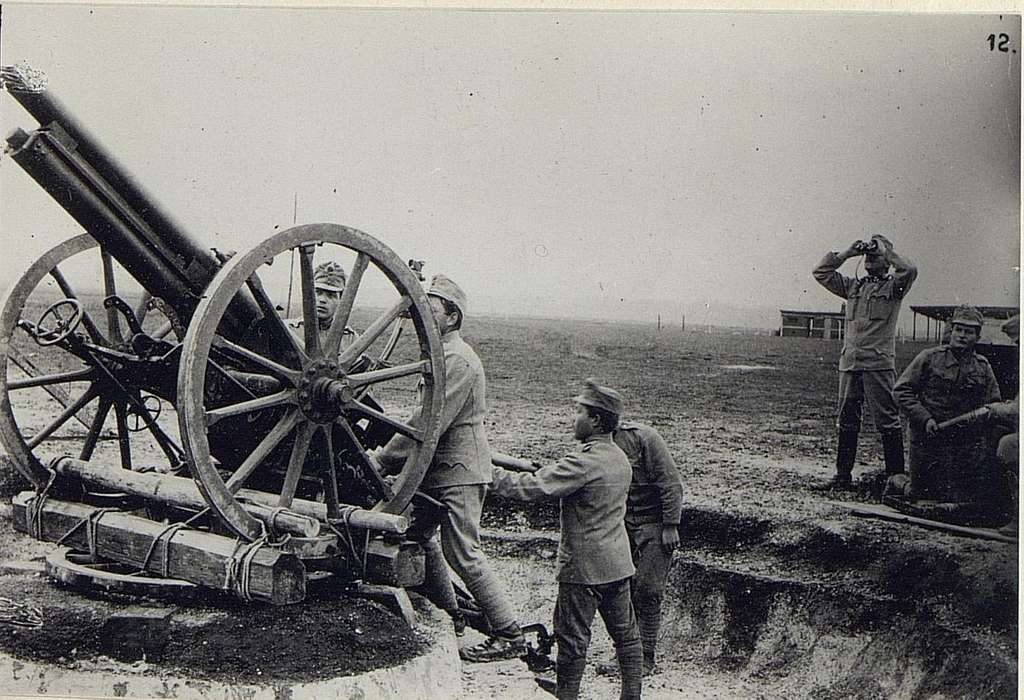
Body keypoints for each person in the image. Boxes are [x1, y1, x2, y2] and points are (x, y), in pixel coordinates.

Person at [375, 274, 526, 662]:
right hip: (438, 470)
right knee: (421, 537)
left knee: (464, 552)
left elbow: (426, 425)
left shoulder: (458, 360)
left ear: (452, 317)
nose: (424, 311)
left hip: (459, 470)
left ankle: (510, 635)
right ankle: (452, 616)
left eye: (434, 306)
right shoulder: (444, 356)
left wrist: (382, 458)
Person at [490, 379, 643, 700]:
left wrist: (485, 474)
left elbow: (531, 488)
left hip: (583, 569)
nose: (574, 418)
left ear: (596, 420)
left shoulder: (584, 462)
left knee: (572, 639)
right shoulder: (618, 458)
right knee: (626, 637)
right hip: (617, 564)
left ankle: (567, 694)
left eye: (579, 412)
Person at [812, 234, 918, 490]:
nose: (871, 257)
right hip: (850, 364)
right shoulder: (853, 288)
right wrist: (848, 253)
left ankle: (895, 480)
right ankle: (842, 477)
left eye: (876, 254)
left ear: (887, 262)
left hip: (878, 365)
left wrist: (888, 250)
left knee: (887, 421)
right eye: (868, 254)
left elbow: (910, 270)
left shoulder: (893, 288)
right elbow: (820, 272)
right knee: (847, 419)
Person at [597, 420, 683, 677]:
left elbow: (671, 483)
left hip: (655, 524)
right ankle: (625, 654)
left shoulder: (644, 438)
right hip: (623, 523)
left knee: (648, 590)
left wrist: (670, 525)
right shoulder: (598, 443)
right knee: (623, 589)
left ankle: (646, 658)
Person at [893, 305, 1002, 504]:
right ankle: (897, 482)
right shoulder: (929, 358)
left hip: (962, 444)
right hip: (927, 440)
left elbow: (993, 402)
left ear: (977, 337)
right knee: (922, 495)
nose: (962, 336)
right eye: (958, 330)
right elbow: (901, 391)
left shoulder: (983, 366)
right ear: (951, 331)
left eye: (968, 332)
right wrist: (925, 419)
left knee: (961, 499)